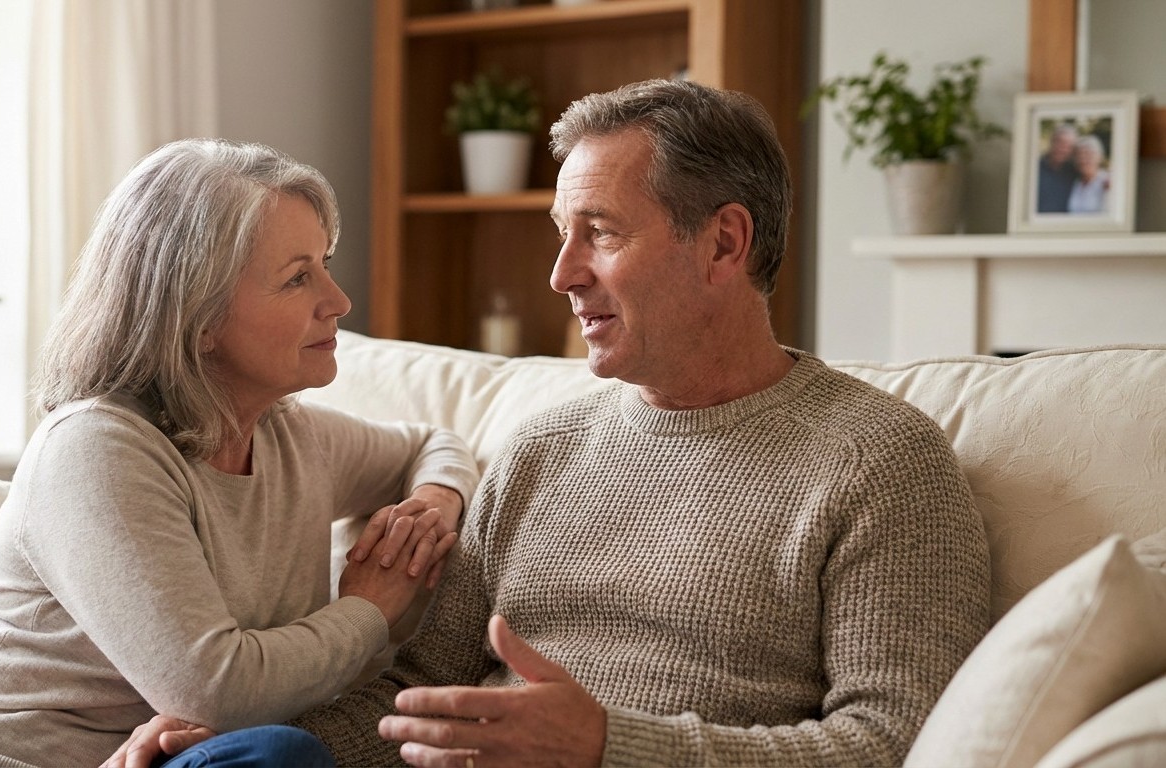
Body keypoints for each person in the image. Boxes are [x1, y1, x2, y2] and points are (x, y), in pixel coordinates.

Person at [111, 80, 991, 767]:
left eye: (599, 232)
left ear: (723, 243)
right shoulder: (542, 449)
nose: (560, 274)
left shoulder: (879, 462)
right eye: (558, 234)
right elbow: (420, 690)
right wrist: (218, 744)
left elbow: (892, 744)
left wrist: (607, 749)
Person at [0, 139, 480, 768]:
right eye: (297, 279)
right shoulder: (96, 448)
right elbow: (217, 690)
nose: (337, 302)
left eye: (326, 264)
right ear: (196, 319)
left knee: (282, 754)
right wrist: (369, 609)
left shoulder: (294, 436)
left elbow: (431, 443)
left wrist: (433, 500)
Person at [1037, 122, 1079, 213]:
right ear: (1052, 142)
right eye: (1060, 142)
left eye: (1069, 146)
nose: (1063, 149)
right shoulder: (1034, 169)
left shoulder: (1075, 171)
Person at [1067, 134, 1111, 214]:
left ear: (1100, 157)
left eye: (1089, 154)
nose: (1083, 159)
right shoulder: (1075, 182)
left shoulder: (1107, 181)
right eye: (1079, 155)